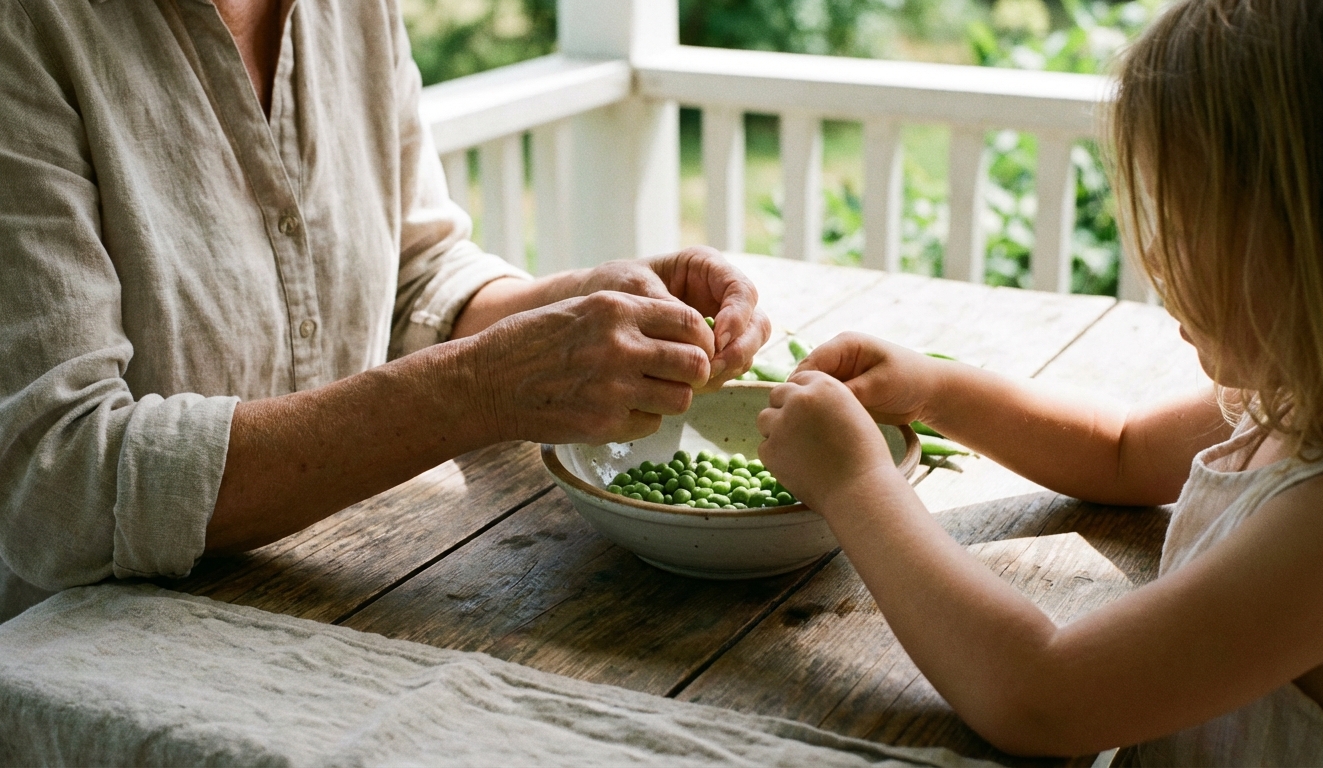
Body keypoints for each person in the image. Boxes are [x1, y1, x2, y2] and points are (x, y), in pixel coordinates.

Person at [0, 0, 768, 622]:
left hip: (341, 591)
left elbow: (414, 273)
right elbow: (56, 482)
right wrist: (480, 388)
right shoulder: (27, 30)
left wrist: (574, 306)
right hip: (89, 670)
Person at [756, 0, 1323, 764]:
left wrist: (853, 482)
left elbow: (1041, 698)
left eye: (1188, 230)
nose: (1162, 268)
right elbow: (1118, 450)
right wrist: (932, 391)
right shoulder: (1300, 405)